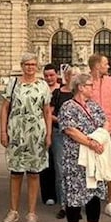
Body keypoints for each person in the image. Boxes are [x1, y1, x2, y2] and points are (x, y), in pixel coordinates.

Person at [0, 52, 52, 222]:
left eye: (33, 65)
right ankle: (13, 211)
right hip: (16, 132)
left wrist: (49, 134)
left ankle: (31, 213)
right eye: (27, 64)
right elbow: (5, 108)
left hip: (36, 133)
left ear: (37, 67)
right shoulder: (13, 84)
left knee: (33, 174)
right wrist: (3, 132)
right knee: (15, 173)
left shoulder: (43, 85)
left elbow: (47, 111)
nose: (30, 67)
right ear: (22, 66)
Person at [57, 73, 110, 222]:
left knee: (93, 194)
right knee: (74, 193)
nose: (92, 89)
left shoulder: (94, 106)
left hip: (95, 157)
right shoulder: (68, 107)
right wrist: (90, 142)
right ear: (80, 87)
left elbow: (105, 122)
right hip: (75, 158)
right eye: (90, 85)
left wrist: (100, 139)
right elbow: (70, 130)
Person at [88, 53, 111, 218]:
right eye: (106, 64)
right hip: (92, 131)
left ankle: (110, 202)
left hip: (110, 130)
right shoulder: (86, 82)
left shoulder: (110, 81)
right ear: (97, 66)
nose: (108, 66)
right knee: (90, 166)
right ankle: (89, 198)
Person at [49, 66, 79, 219]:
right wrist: (63, 122)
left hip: (78, 136)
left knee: (77, 170)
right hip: (59, 134)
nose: (73, 78)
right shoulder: (58, 93)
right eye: (71, 75)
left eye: (76, 75)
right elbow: (49, 113)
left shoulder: (80, 94)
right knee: (61, 171)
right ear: (66, 77)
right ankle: (64, 204)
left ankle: (77, 203)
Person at [39, 63, 62, 206]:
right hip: (44, 129)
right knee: (45, 163)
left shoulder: (63, 90)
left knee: (59, 163)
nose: (49, 78)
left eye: (52, 75)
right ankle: (48, 195)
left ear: (57, 75)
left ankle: (59, 193)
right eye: (46, 76)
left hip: (59, 130)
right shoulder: (41, 90)